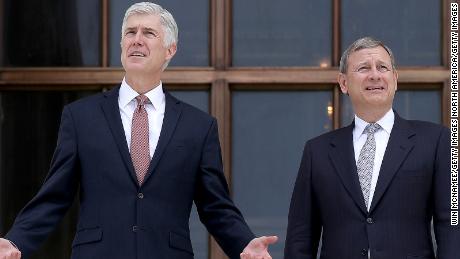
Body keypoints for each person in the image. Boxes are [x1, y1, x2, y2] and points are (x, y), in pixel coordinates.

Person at [0, 2, 277, 259]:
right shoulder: (80, 117)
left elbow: (215, 206)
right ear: (121, 44)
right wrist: (15, 241)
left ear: (170, 49)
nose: (137, 39)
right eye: (130, 32)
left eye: (148, 33)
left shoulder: (199, 127)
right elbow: (54, 195)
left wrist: (244, 243)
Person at [284, 37, 459, 259]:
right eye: (363, 68)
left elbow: (452, 223)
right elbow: (301, 237)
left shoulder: (436, 141)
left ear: (394, 79)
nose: (375, 75)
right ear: (344, 83)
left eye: (382, 67)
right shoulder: (317, 151)